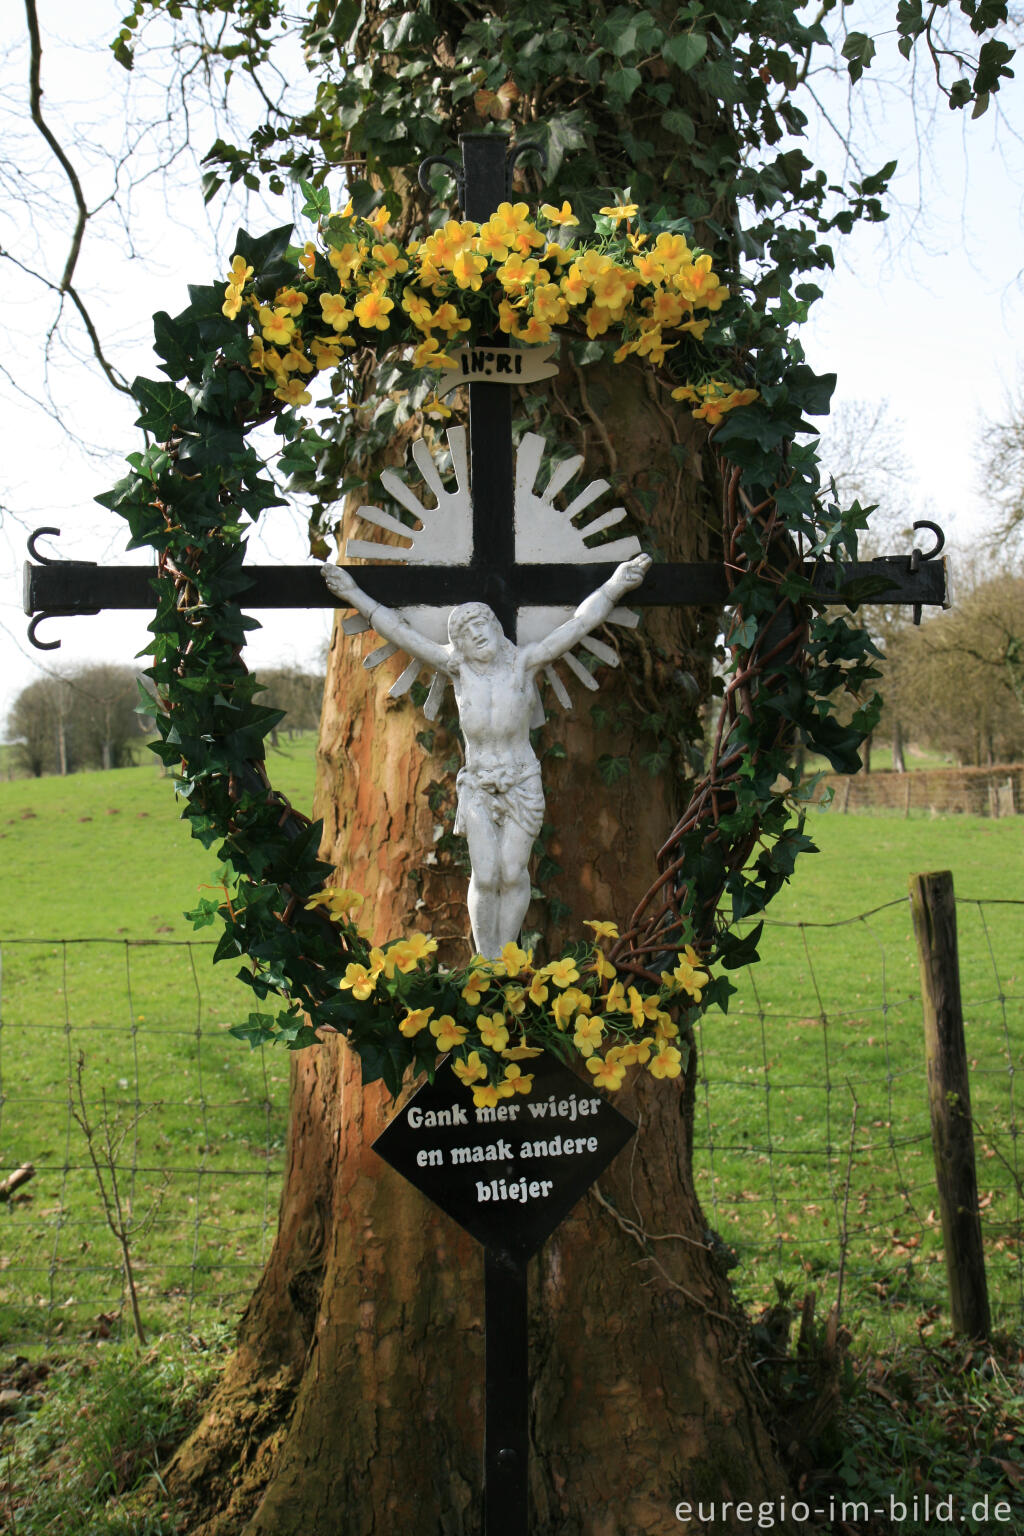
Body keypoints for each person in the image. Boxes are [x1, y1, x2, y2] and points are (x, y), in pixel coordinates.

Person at [322, 553, 652, 957]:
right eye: (468, 633)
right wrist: (353, 592)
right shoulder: (456, 669)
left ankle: (505, 960)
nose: (478, 636)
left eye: (483, 626)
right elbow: (399, 631)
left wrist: (616, 585)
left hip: (521, 781)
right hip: (478, 782)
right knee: (486, 873)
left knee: (513, 874)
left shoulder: (524, 663)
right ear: (459, 644)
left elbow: (580, 624)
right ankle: (486, 960)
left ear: (496, 628)